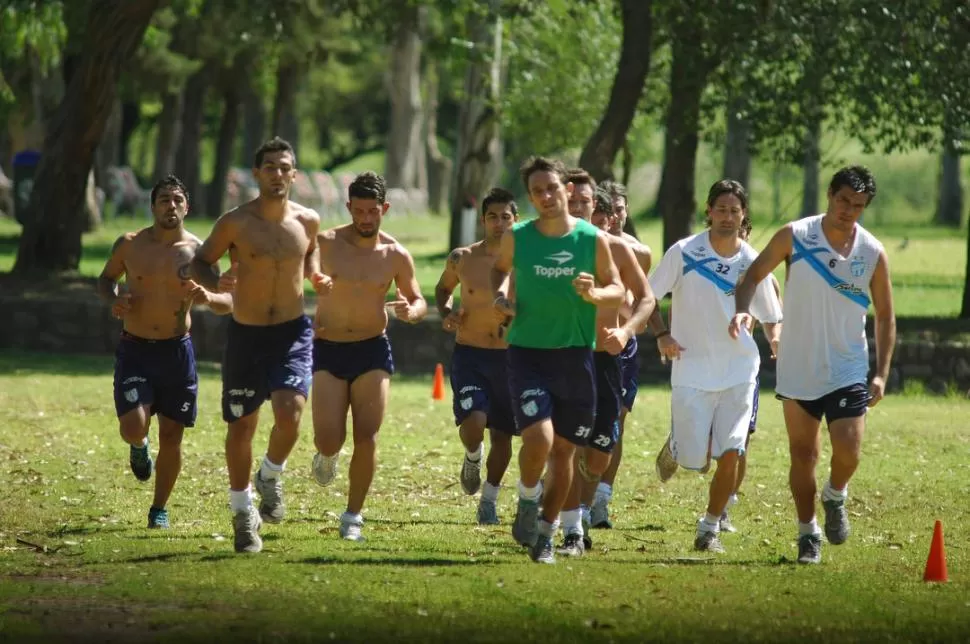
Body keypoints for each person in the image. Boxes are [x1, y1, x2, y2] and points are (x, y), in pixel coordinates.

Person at [732, 166, 895, 565]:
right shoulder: (796, 236)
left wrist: (881, 372)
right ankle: (808, 534)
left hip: (847, 366)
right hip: (798, 366)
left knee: (850, 451)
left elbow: (886, 317)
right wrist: (742, 312)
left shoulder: (872, 252)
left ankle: (835, 493)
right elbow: (751, 278)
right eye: (843, 201)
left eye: (858, 205)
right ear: (829, 195)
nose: (849, 211)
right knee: (803, 455)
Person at [491, 156, 624, 564]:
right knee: (540, 439)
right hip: (528, 354)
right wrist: (501, 297)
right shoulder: (518, 236)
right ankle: (528, 496)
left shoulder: (591, 239)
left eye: (552, 188)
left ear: (567, 189)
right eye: (537, 191)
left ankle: (546, 535)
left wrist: (595, 296)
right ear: (530, 197)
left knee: (565, 452)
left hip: (577, 356)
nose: (546, 197)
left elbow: (616, 287)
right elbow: (499, 271)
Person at [191, 137, 321, 554]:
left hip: (292, 333)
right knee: (242, 426)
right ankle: (243, 512)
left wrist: (319, 278)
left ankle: (270, 474)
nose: (278, 174)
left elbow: (312, 257)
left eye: (285, 167)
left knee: (290, 413)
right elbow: (200, 261)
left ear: (294, 174)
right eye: (270, 167)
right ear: (256, 173)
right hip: (246, 335)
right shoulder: (235, 222)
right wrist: (215, 282)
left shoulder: (308, 221)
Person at [650, 179, 782, 554]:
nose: (727, 217)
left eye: (734, 211)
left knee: (733, 451)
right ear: (708, 211)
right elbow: (648, 297)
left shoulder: (753, 263)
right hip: (691, 370)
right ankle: (680, 443)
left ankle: (709, 527)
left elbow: (773, 315)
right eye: (720, 209)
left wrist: (775, 339)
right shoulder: (684, 252)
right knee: (698, 459)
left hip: (739, 372)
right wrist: (661, 335)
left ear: (743, 216)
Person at [98, 175, 232, 529]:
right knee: (133, 426)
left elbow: (228, 300)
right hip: (136, 350)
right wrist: (114, 300)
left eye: (177, 200)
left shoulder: (200, 253)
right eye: (163, 200)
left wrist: (210, 297)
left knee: (172, 436)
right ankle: (138, 446)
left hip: (177, 353)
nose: (170, 206)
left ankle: (159, 509)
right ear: (153, 206)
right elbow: (105, 279)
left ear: (186, 206)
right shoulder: (130, 245)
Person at [309, 171, 427, 542]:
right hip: (328, 347)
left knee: (368, 435)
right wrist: (315, 280)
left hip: (372, 348)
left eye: (372, 211)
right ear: (348, 208)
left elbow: (419, 299)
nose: (365, 218)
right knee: (329, 439)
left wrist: (412, 311)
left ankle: (352, 516)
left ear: (384, 209)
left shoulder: (395, 254)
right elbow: (301, 268)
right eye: (358, 211)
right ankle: (327, 456)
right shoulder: (326, 243)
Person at [557, 182, 656, 557]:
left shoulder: (619, 249)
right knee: (565, 444)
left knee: (599, 450)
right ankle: (571, 526)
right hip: (561, 355)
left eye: (587, 202)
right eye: (576, 201)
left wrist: (627, 329)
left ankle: (582, 505)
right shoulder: (548, 246)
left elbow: (646, 300)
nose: (581, 207)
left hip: (606, 358)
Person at [434, 187, 519, 525]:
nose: (499, 224)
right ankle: (472, 454)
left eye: (506, 217)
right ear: (483, 220)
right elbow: (443, 289)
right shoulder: (462, 258)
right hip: (470, 354)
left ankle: (490, 500)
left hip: (512, 359)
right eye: (492, 217)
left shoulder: (525, 260)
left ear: (516, 220)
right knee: (474, 423)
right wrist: (448, 311)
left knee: (502, 435)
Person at [590, 179, 653, 530]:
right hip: (584, 343)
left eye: (618, 209)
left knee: (616, 424)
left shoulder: (635, 251)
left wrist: (642, 328)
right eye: (606, 210)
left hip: (622, 347)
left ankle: (601, 499)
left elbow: (647, 299)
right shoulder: (583, 244)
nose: (612, 217)